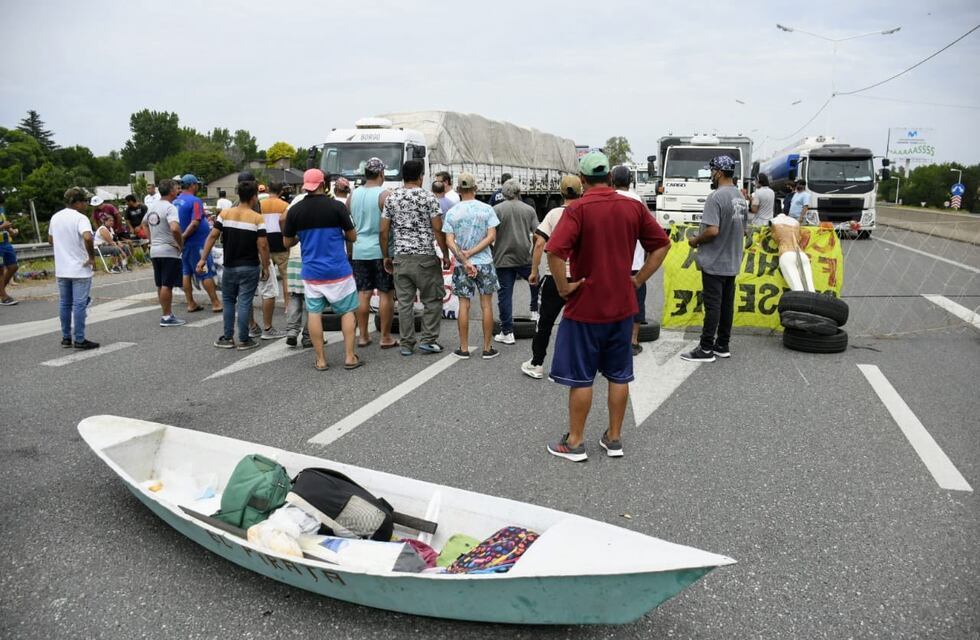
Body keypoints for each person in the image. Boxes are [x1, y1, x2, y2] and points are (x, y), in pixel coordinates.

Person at [544, 151, 671, 461]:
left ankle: (575, 442)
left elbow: (554, 251)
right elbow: (662, 245)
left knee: (581, 377)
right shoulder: (633, 207)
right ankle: (614, 438)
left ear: (582, 180)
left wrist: (563, 288)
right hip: (622, 307)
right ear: (611, 178)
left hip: (585, 307)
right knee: (619, 374)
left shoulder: (578, 209)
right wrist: (638, 279)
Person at [283, 169, 362, 371]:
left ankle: (321, 360)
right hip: (338, 270)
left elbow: (287, 242)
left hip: (312, 272)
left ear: (305, 185)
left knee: (314, 313)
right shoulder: (337, 207)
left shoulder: (295, 211)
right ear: (323, 185)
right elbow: (352, 237)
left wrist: (301, 237)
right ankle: (350, 357)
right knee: (347, 312)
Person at [680, 155, 748, 363]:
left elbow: (712, 230)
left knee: (712, 306)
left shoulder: (715, 197)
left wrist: (695, 240)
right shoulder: (740, 197)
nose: (711, 175)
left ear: (719, 172)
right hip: (732, 261)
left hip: (714, 261)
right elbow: (744, 230)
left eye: (712, 171)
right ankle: (722, 345)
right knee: (726, 305)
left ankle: (706, 348)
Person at [381, 159, 450, 356]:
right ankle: (428, 340)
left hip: (401, 257)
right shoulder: (429, 197)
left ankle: (406, 343)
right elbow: (437, 229)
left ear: (403, 176)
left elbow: (383, 231)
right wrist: (445, 254)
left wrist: (386, 256)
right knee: (432, 299)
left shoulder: (392, 198)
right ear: (421, 177)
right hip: (425, 257)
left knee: (404, 303)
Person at [521, 175, 582, 379]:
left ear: (561, 192)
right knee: (581, 322)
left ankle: (537, 363)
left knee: (545, 322)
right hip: (580, 278)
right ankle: (581, 364)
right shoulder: (586, 213)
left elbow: (539, 242)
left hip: (555, 277)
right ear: (581, 191)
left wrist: (533, 270)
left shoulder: (554, 214)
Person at [198, 180, 270, 351]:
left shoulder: (224, 214)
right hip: (250, 265)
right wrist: (266, 266)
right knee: (244, 301)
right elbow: (262, 245)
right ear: (254, 197)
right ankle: (244, 339)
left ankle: (227, 337)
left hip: (229, 265)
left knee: (228, 300)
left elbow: (212, 237)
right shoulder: (257, 218)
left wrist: (202, 259)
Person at [443, 172, 500, 359]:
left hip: (462, 265)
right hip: (485, 262)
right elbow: (491, 236)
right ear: (475, 188)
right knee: (486, 305)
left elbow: (449, 241)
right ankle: (487, 348)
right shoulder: (487, 209)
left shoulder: (452, 212)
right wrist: (473, 252)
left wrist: (464, 257)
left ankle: (464, 348)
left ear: (458, 189)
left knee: (464, 305)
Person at [350, 157, 398, 349]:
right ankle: (385, 337)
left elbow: (349, 220)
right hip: (381, 249)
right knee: (386, 294)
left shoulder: (352, 195)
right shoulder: (384, 195)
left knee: (363, 293)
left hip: (359, 249)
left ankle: (363, 336)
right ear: (381, 174)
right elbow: (390, 225)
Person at [49, 187, 99, 349]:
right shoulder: (80, 218)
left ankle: (66, 337)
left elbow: (50, 240)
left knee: (65, 303)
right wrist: (91, 257)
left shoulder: (55, 217)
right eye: (84, 201)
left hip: (62, 268)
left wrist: (63, 247)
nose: (86, 204)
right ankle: (79, 338)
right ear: (77, 202)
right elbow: (88, 237)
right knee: (79, 304)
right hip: (79, 268)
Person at [492, 179, 538, 344]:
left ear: (503, 193)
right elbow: (538, 234)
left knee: (505, 294)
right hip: (524, 256)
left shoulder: (496, 210)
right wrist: (533, 251)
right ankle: (535, 310)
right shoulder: (529, 210)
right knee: (535, 280)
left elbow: (489, 235)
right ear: (519, 192)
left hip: (502, 258)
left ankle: (507, 332)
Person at [611, 165, 651, 356]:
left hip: (612, 263)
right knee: (637, 302)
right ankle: (633, 341)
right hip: (636, 263)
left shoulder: (607, 199)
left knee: (611, 301)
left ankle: (612, 339)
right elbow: (652, 233)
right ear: (630, 181)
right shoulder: (639, 201)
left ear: (612, 181)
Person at [174, 174, 222, 313]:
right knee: (204, 272)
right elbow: (195, 222)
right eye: (196, 184)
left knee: (186, 272)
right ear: (192, 185)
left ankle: (191, 303)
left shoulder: (176, 201)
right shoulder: (195, 201)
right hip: (196, 243)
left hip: (184, 244)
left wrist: (180, 239)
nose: (198, 187)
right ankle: (215, 302)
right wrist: (183, 237)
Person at [141, 179, 186, 327]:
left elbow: (144, 223)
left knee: (160, 284)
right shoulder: (170, 207)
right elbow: (174, 228)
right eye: (176, 188)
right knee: (167, 284)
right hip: (168, 250)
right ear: (171, 191)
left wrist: (151, 239)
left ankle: (166, 313)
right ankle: (167, 317)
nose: (178, 190)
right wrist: (180, 244)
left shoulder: (153, 206)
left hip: (155, 249)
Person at [255, 182, 288, 339]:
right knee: (285, 276)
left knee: (266, 276)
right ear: (281, 191)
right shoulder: (284, 205)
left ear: (268, 190)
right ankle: (288, 305)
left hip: (265, 241)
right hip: (280, 241)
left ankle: (265, 305)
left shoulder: (260, 204)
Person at [0, 193, 20, 305]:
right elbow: (2, 225)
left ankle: (1, 291)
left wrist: (11, 230)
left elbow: (4, 223)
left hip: (5, 242)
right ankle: (3, 296)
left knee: (13, 266)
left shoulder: (2, 209)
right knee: (0, 270)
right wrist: (2, 227)